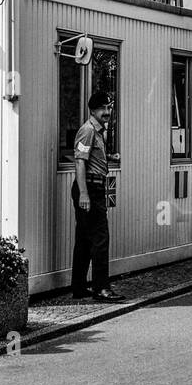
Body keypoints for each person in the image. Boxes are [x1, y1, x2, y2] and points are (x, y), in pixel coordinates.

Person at [71, 90, 126, 302]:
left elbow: (90, 157)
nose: (107, 111)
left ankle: (79, 287)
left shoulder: (97, 131)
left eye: (109, 107)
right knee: (100, 239)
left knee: (84, 239)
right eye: (103, 108)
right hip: (90, 189)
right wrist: (84, 193)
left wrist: (109, 156)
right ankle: (102, 289)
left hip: (92, 186)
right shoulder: (88, 131)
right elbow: (79, 161)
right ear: (93, 110)